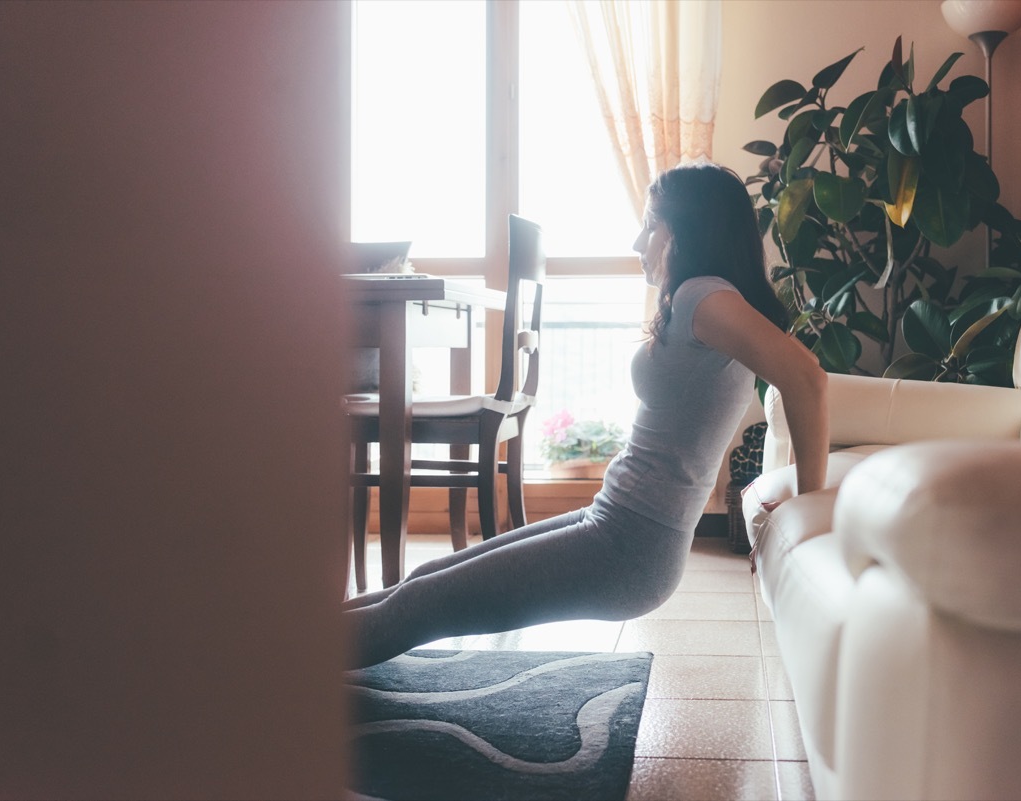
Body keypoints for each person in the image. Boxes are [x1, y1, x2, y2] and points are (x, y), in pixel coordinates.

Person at [344, 162, 829, 668]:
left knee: (421, 604)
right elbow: (790, 383)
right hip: (615, 524)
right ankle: (290, 636)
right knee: (423, 582)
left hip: (628, 547)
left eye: (649, 224)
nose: (638, 241)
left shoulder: (702, 297)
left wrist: (811, 504)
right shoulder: (711, 299)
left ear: (682, 229)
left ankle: (283, 665)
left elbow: (807, 379)